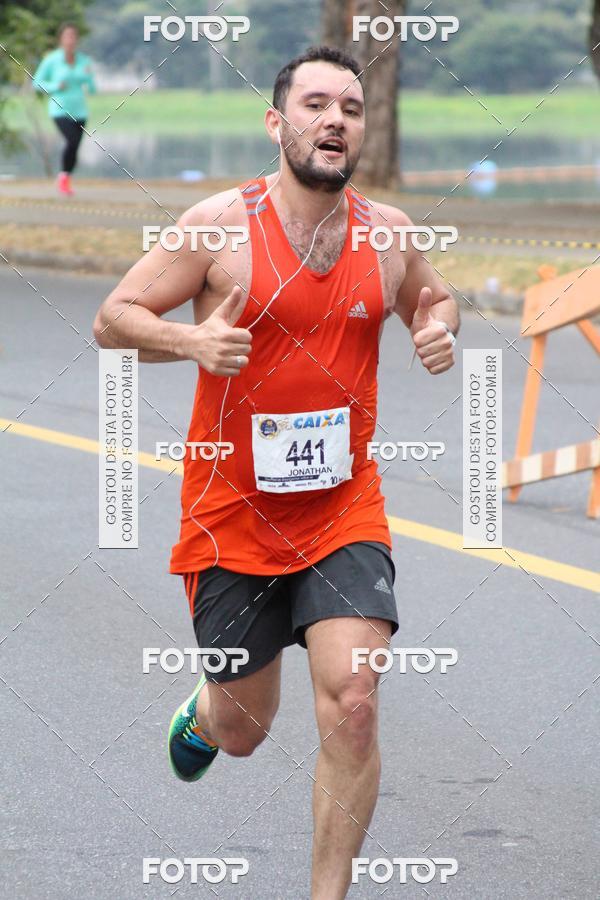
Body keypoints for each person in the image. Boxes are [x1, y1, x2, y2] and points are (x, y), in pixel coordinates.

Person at [94, 45, 459, 900]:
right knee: (246, 726)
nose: (335, 120)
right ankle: (205, 713)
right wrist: (191, 340)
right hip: (231, 515)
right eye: (316, 104)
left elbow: (433, 296)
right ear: (278, 122)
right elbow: (114, 320)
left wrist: (433, 327)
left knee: (356, 703)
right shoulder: (219, 224)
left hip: (343, 511)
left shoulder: (392, 234)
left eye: (352, 109)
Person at [33, 22, 96, 196]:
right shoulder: (51, 60)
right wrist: (54, 85)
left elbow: (92, 88)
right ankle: (63, 178)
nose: (71, 40)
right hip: (59, 110)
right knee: (72, 141)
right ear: (61, 39)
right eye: (67, 36)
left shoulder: (84, 60)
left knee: (75, 146)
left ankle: (65, 178)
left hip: (80, 111)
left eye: (74, 36)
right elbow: (36, 83)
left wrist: (89, 77)